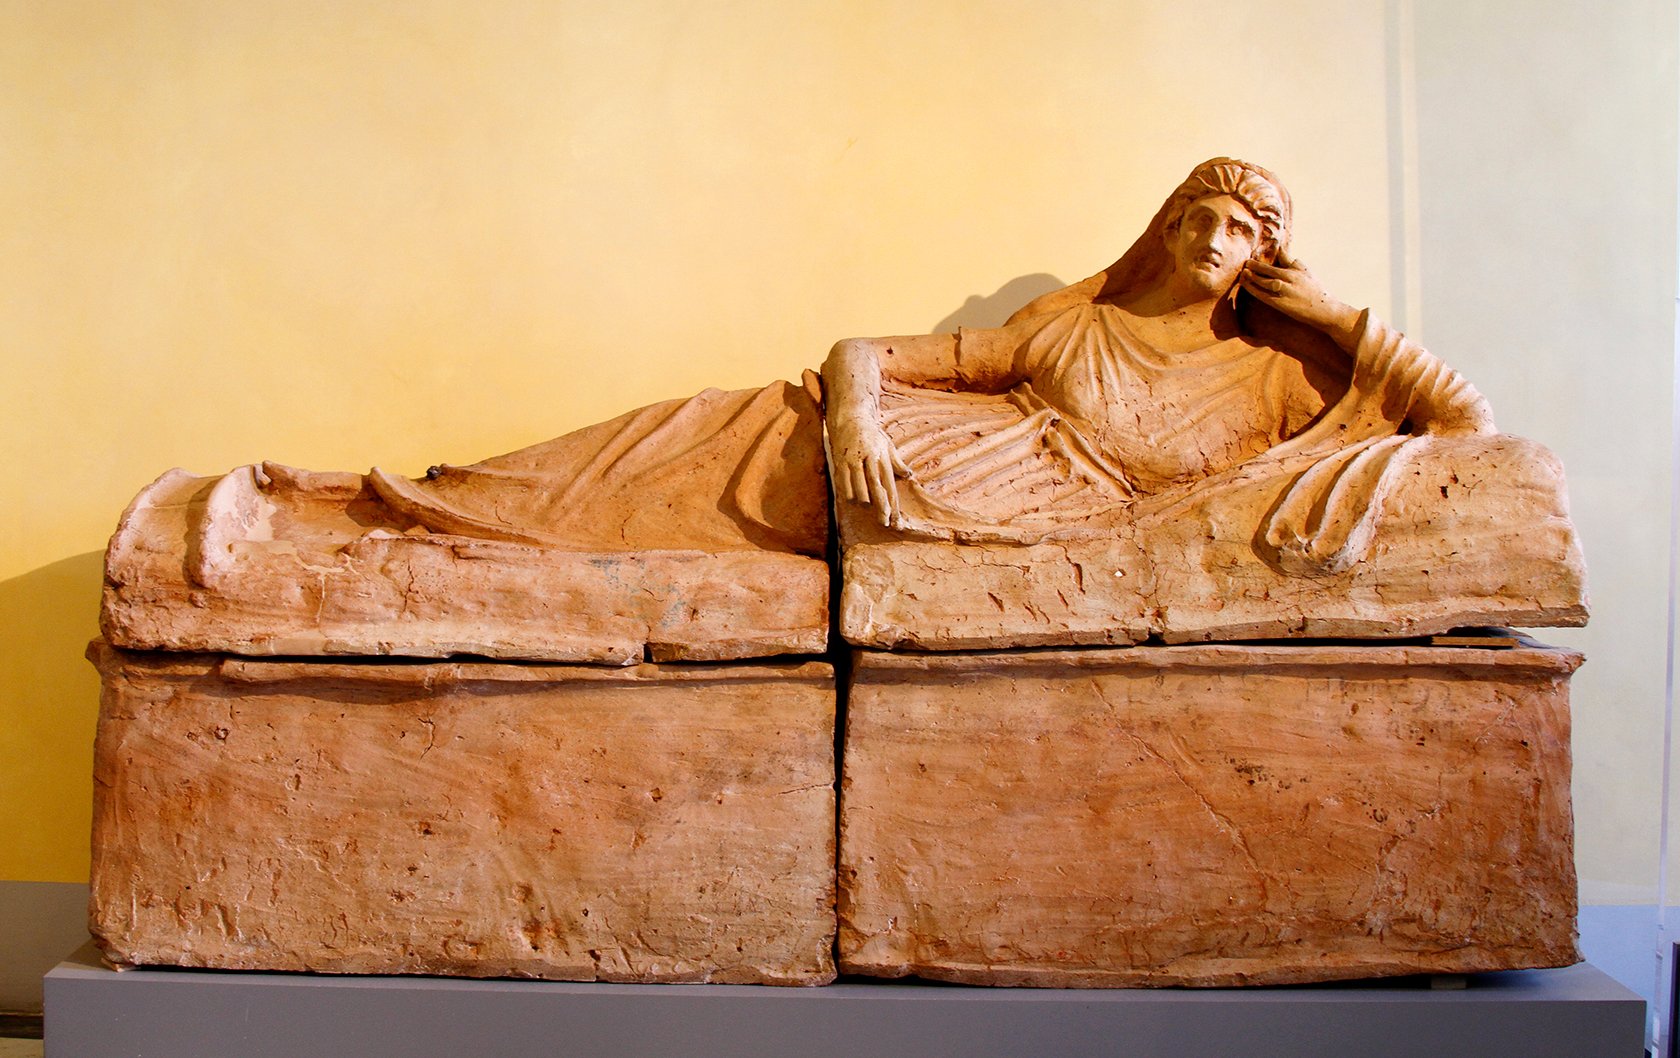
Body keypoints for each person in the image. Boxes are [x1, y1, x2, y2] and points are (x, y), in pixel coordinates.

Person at [821, 157, 1494, 574]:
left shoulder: (1280, 376)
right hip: (912, 455)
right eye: (1201, 221)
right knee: (769, 421)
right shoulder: (1077, 329)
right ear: (1169, 233)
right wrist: (856, 422)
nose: (1213, 239)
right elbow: (861, 355)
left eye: (1238, 232)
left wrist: (1334, 316)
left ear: (1262, 257)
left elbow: (1465, 421)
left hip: (981, 513)